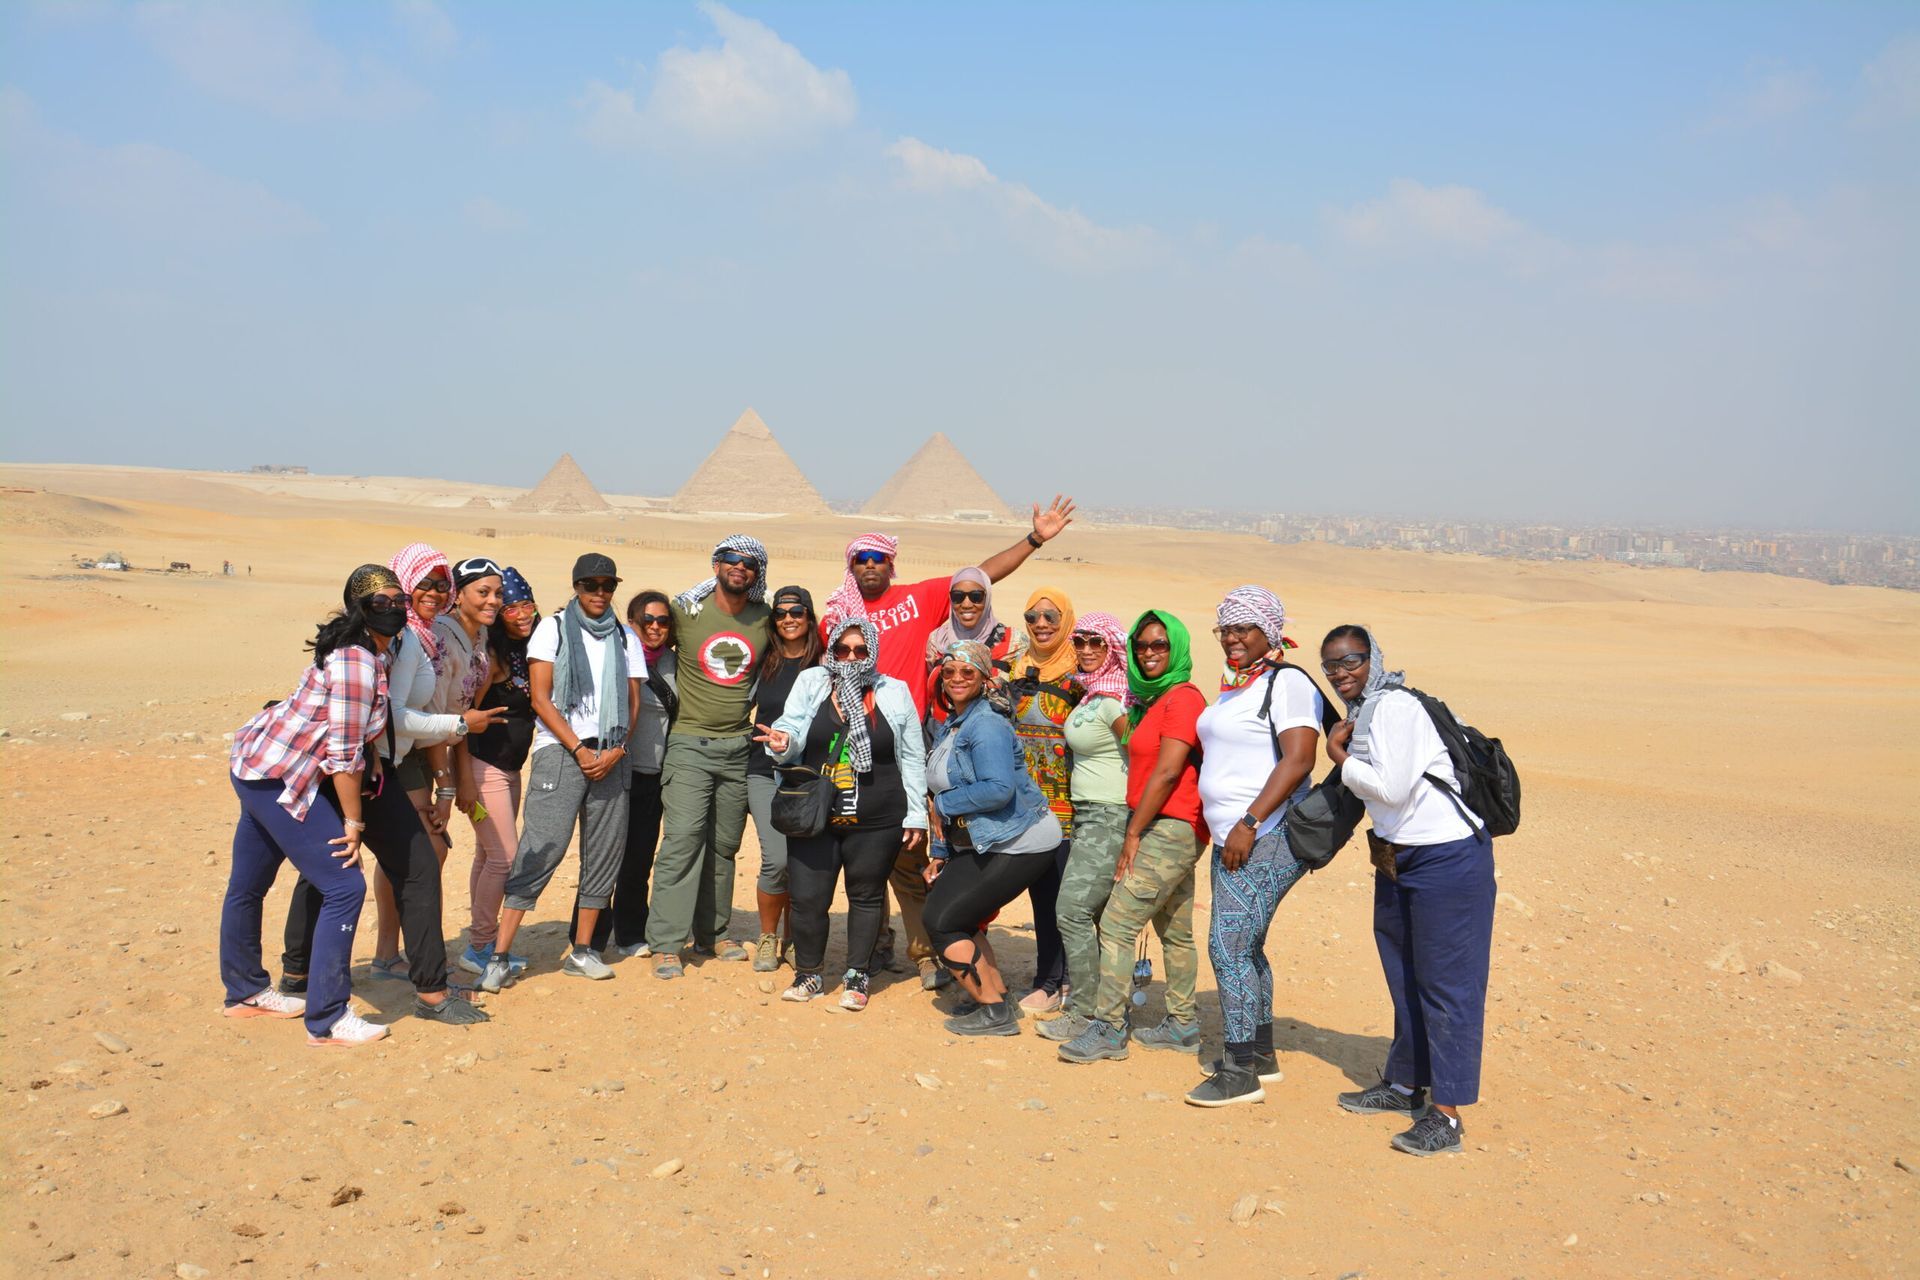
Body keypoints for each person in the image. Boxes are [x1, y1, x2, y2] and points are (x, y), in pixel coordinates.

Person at [225, 566, 487, 1046]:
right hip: (277, 772)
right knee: (340, 882)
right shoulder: (357, 662)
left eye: (396, 600)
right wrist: (353, 821)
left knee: (416, 863)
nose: (392, 610)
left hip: (325, 767)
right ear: (358, 608)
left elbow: (359, 738)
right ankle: (323, 1017)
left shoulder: (384, 650)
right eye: (379, 603)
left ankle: (429, 991)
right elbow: (342, 752)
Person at [1322, 625, 1495, 1157]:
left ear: (1373, 658)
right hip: (1400, 858)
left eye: (1350, 660)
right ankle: (1403, 1084)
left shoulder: (1394, 707)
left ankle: (1446, 1115)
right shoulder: (1367, 711)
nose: (1340, 673)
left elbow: (1392, 789)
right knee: (1404, 973)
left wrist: (1340, 757)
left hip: (1447, 858)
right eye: (1330, 666)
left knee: (1447, 986)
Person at [1181, 586, 1326, 1107]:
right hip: (1234, 839)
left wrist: (1248, 820)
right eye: (1226, 629)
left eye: (1244, 628)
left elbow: (1299, 759)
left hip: (1267, 836)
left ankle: (1238, 1070)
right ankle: (1262, 1056)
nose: (1233, 639)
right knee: (1247, 945)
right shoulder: (1238, 687)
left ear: (1270, 630)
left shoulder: (1286, 683)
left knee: (1228, 947)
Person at [481, 554, 645, 992]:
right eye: (591, 584)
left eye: (607, 585)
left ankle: (583, 950)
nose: (599, 592)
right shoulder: (552, 628)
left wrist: (618, 749)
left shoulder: (626, 637)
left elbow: (632, 702)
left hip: (612, 757)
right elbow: (540, 697)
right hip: (561, 754)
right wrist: (576, 746)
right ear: (575, 586)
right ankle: (499, 955)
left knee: (604, 852)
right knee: (542, 848)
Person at [1058, 610, 1207, 1067]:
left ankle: (1107, 1027)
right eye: (1142, 646)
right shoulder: (1148, 700)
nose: (1149, 653)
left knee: (1117, 924)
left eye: (1159, 645)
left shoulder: (1183, 699)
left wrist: (1133, 832)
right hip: (1168, 823)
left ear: (1177, 648)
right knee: (1174, 929)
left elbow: (1166, 772)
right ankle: (1182, 1024)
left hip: (1170, 824)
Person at [757, 616, 928, 1010]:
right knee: (807, 898)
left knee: (866, 896)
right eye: (842, 649)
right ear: (831, 650)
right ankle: (810, 974)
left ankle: (857, 975)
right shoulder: (814, 682)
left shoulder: (894, 691)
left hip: (878, 817)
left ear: (873, 653)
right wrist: (782, 742)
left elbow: (913, 756)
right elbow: (791, 728)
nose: (851, 657)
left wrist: (916, 813)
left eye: (861, 650)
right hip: (814, 816)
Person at [921, 640, 1065, 1037]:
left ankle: (994, 1012)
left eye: (967, 671)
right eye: (949, 672)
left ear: (985, 678)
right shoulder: (958, 721)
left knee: (942, 920)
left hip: (1019, 839)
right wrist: (939, 850)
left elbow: (997, 789)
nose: (956, 679)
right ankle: (996, 995)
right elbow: (939, 799)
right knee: (958, 913)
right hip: (987, 838)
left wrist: (946, 804)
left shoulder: (985, 724)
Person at [646, 536, 771, 977]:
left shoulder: (765, 618)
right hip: (689, 744)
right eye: (732, 559)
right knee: (682, 841)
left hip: (738, 747)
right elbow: (647, 633)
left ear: (758, 574)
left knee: (722, 846)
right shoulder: (685, 613)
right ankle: (665, 941)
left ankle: (713, 934)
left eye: (750, 563)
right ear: (716, 564)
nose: (740, 567)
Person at [1035, 610, 1130, 1044]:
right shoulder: (1091, 694)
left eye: (1098, 643)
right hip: (1087, 814)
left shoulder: (1115, 701)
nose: (1088, 651)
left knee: (1072, 911)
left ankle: (1084, 1010)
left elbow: (1141, 752)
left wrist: (1136, 826)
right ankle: (1094, 1005)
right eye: (1081, 642)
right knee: (1085, 912)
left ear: (1113, 648)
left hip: (1108, 814)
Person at [572, 589, 679, 960]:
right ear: (630, 622)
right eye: (646, 620)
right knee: (601, 856)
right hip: (612, 770)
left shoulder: (675, 665)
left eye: (663, 621)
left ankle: (631, 932)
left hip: (651, 774)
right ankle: (588, 937)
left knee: (638, 858)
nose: (655, 627)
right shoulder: (612, 656)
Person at [457, 566, 539, 978]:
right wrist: (462, 780)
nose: (522, 614)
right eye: (511, 608)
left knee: (487, 854)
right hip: (480, 769)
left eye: (527, 604)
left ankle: (481, 940)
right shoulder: (490, 659)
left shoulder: (526, 651)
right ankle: (479, 949)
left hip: (509, 770)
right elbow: (462, 717)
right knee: (504, 859)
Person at [1003, 586, 1080, 1012]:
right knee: (1043, 895)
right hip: (1026, 805)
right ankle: (1049, 980)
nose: (1042, 624)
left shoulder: (1083, 677)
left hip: (1072, 806)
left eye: (1051, 616)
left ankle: (1068, 982)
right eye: (1033, 617)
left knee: (1070, 899)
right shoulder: (1014, 670)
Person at [744, 585, 822, 971]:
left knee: (800, 863)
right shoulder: (765, 661)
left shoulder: (825, 663)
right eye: (781, 613)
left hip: (810, 778)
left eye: (797, 612)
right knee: (776, 860)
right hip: (764, 771)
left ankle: (794, 940)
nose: (789, 618)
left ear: (810, 617)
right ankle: (767, 936)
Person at [427, 557, 505, 854]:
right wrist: (447, 788)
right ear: (457, 595)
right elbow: (434, 717)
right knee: (426, 851)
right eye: (483, 593)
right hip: (419, 752)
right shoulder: (442, 638)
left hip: (443, 743)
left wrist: (465, 776)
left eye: (498, 594)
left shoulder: (480, 633)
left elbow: (462, 714)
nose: (493, 601)